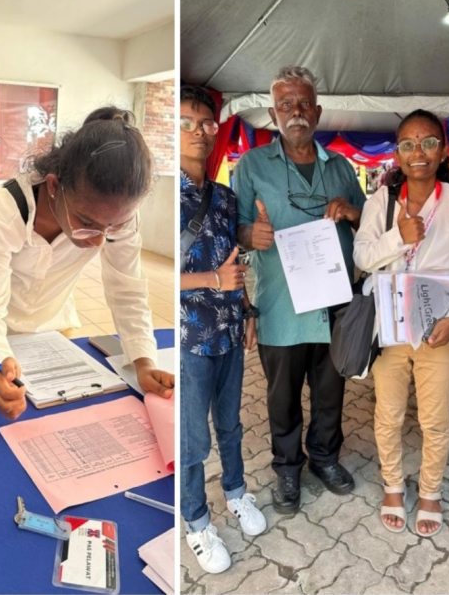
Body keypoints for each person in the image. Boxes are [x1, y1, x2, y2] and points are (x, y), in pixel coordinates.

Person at [0, 106, 174, 421]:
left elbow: (127, 290)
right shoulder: (10, 207)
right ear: (53, 185)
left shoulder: (118, 218)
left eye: (113, 228)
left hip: (56, 331)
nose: (100, 240)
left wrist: (143, 361)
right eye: (87, 222)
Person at [234, 66, 365, 513]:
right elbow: (233, 228)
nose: (296, 113)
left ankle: (325, 459)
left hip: (334, 308)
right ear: (273, 113)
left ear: (318, 110)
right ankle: (288, 468)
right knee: (282, 397)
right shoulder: (251, 166)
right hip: (281, 308)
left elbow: (370, 227)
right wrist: (249, 235)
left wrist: (351, 212)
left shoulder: (343, 168)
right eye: (286, 105)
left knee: (330, 393)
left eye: (304, 103)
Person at [354, 109, 449, 536]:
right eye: (409, 144)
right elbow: (361, 257)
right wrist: (399, 237)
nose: (419, 152)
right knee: (388, 414)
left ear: (443, 149)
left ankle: (429, 491)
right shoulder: (380, 201)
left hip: (438, 329)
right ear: (397, 153)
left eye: (429, 142)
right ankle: (393, 485)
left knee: (435, 418)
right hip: (390, 327)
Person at [177, 85, 265, 575]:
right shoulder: (160, 194)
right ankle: (195, 521)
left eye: (205, 124)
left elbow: (236, 264)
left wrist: (247, 312)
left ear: (217, 131)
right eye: (185, 122)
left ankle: (236, 493)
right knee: (193, 441)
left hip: (229, 333)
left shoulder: (227, 198)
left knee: (230, 426)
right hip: (190, 341)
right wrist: (211, 281)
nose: (197, 132)